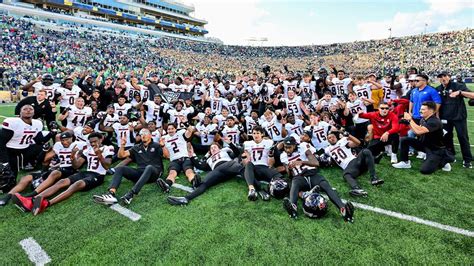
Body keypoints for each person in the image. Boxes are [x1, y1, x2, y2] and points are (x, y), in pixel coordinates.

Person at [11, 133, 114, 215]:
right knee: (62, 181)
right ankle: (32, 199)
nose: (93, 144)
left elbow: (107, 166)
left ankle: (47, 203)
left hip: (98, 175)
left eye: (95, 141)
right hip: (86, 172)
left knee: (76, 185)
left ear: (101, 139)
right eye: (91, 142)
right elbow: (76, 166)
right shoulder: (87, 149)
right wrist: (72, 157)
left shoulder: (108, 148)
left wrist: (99, 154)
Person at [279, 137, 354, 222]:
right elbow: (289, 175)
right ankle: (293, 208)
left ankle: (343, 209)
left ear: (295, 145)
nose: (287, 149)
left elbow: (316, 163)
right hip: (299, 178)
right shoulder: (283, 155)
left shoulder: (303, 147)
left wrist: (302, 162)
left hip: (312, 174)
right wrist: (289, 169)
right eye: (285, 147)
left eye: (289, 147)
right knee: (294, 184)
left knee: (326, 186)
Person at [93, 128, 164, 205]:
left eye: (145, 133)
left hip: (154, 173)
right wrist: (122, 145)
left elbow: (167, 155)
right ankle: (111, 193)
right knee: (120, 168)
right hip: (140, 173)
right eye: (141, 134)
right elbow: (121, 155)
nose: (143, 135)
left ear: (150, 135)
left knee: (149, 167)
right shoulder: (136, 147)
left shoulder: (157, 145)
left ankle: (131, 194)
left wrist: (163, 146)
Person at [167, 137, 243, 205]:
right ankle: (186, 198)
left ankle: (252, 186)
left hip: (228, 165)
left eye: (215, 147)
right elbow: (200, 166)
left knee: (240, 168)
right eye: (211, 148)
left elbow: (236, 153)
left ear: (219, 148)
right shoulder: (209, 160)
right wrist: (192, 156)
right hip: (218, 172)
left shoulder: (224, 151)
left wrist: (230, 143)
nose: (213, 149)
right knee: (204, 183)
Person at [393, 101, 454, 174]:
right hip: (424, 145)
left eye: (423, 109)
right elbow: (417, 132)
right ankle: (405, 162)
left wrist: (410, 120)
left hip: (435, 149)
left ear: (431, 111)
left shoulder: (434, 122)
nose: (420, 111)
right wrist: (408, 124)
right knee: (404, 139)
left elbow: (419, 131)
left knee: (425, 170)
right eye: (421, 109)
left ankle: (444, 160)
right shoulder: (423, 119)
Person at [0, 105, 52, 179]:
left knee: (13, 175)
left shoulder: (37, 123)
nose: (28, 110)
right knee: (7, 174)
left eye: (31, 109)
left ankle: (35, 165)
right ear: (20, 112)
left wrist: (52, 133)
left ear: (34, 112)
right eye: (25, 109)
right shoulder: (13, 122)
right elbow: (1, 142)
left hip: (24, 149)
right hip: (10, 149)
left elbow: (39, 141)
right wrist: (4, 161)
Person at [325, 131, 383, 197]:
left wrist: (349, 136)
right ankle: (357, 189)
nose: (332, 138)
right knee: (346, 174)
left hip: (355, 161)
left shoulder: (342, 141)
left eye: (333, 137)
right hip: (350, 168)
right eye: (329, 138)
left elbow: (358, 143)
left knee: (365, 151)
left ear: (336, 137)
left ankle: (374, 178)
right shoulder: (327, 150)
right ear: (327, 141)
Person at [436, 71, 472, 168]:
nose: (443, 78)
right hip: (445, 118)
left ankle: (467, 159)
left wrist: (460, 92)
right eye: (440, 77)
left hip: (458, 117)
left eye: (444, 76)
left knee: (463, 137)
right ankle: (451, 156)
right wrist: (438, 116)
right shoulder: (438, 89)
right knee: (446, 137)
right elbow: (437, 104)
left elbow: (472, 95)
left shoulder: (457, 85)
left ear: (449, 77)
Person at [156, 123, 201, 193]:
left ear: (175, 129)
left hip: (185, 158)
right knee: (172, 173)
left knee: (189, 172)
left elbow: (191, 130)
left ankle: (194, 182)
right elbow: (167, 155)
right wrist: (162, 146)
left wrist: (185, 122)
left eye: (172, 129)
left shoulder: (181, 133)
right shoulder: (164, 138)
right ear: (166, 130)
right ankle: (166, 185)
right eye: (168, 129)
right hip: (174, 160)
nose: (170, 130)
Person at [242, 126, 281, 201]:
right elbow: (245, 163)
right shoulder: (247, 144)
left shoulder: (269, 142)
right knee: (248, 164)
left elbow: (271, 164)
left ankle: (261, 190)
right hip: (253, 168)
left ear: (262, 134)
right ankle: (252, 189)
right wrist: (244, 157)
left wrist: (271, 155)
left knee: (280, 180)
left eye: (257, 133)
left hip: (265, 167)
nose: (255, 135)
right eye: (254, 133)